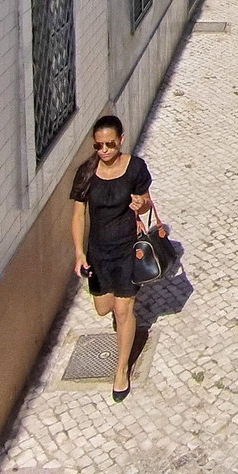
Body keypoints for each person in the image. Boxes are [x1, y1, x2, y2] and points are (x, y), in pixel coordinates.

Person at [70, 114, 151, 402]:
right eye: (98, 145)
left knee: (122, 311)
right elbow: (79, 214)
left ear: (121, 141)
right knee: (103, 308)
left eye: (110, 144)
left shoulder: (135, 168)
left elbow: (146, 203)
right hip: (99, 253)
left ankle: (121, 371)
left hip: (127, 249)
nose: (104, 151)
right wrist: (79, 252)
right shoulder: (86, 173)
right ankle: (121, 324)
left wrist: (141, 204)